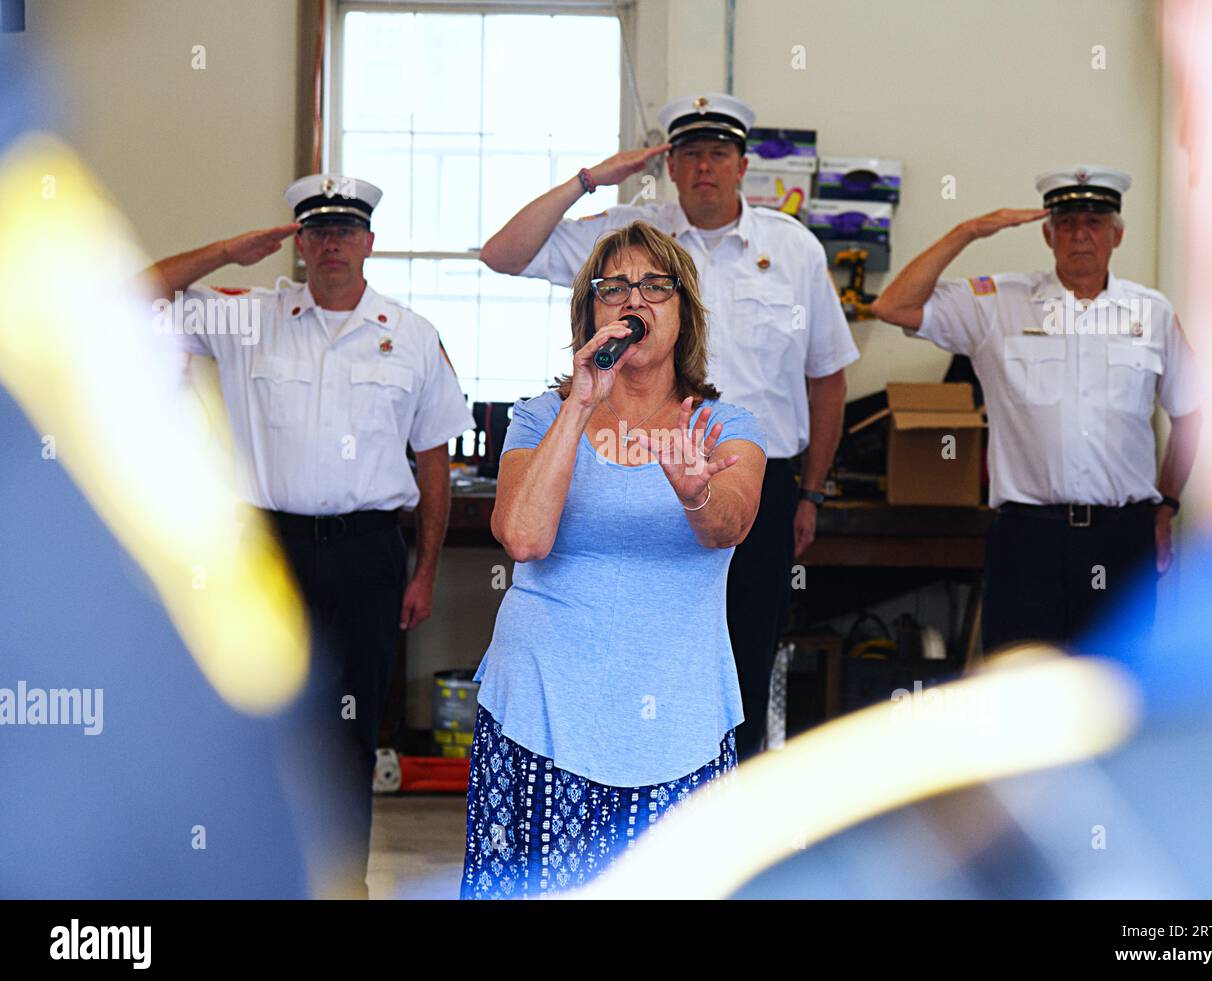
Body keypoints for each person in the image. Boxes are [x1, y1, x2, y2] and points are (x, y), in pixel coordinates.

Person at [479, 93, 859, 760]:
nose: (704, 167)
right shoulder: (627, 236)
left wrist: (812, 493)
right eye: (688, 154)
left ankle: (717, 809)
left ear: (743, 165)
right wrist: (589, 179)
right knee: (628, 653)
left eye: (717, 153)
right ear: (671, 166)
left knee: (737, 659)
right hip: (616, 454)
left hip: (749, 479)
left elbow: (826, 375)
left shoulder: (792, 248)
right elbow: (502, 254)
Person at [143, 173, 474, 897]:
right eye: (317, 231)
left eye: (345, 231)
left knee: (352, 733)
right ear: (299, 242)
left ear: (369, 243)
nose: (332, 245)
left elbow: (435, 461)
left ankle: (340, 881)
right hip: (269, 552)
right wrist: (231, 250)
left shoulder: (412, 337)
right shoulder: (249, 316)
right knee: (257, 725)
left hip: (367, 554)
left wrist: (425, 572)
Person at [460, 220, 766, 898]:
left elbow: (731, 524)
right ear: (590, 315)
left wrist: (694, 494)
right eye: (615, 286)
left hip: (678, 717)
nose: (636, 298)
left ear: (682, 313)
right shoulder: (541, 417)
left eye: (657, 285)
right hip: (544, 708)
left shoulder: (727, 426)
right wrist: (581, 403)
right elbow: (523, 537)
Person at [871, 165, 1202, 651]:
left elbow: (1189, 414)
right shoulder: (999, 302)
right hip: (1029, 537)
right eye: (1067, 223)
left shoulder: (1151, 312)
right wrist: (968, 231)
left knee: (1116, 685)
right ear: (1048, 235)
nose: (1080, 235)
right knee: (1021, 690)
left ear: (1117, 234)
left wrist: (1167, 506)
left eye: (1094, 222)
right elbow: (892, 307)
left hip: (1121, 534)